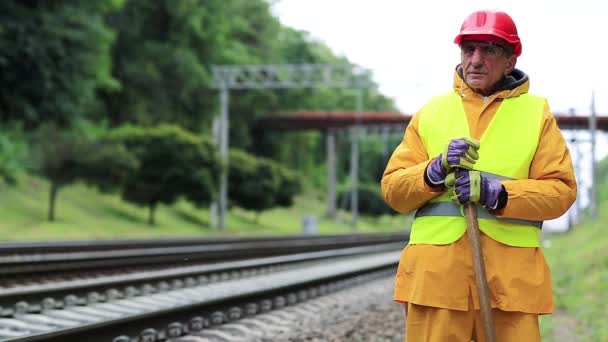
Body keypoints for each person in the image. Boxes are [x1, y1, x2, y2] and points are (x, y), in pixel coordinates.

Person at [381, 9, 577, 342]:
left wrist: (497, 194)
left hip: (510, 286)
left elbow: (560, 192)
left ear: (510, 60)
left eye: (489, 50)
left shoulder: (536, 114)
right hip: (437, 280)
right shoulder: (431, 112)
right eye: (468, 49)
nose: (475, 59)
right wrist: (434, 170)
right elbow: (394, 191)